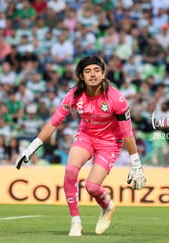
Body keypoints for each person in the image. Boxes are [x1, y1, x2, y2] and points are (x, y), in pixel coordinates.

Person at [15, 55, 146, 236]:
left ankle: (107, 206)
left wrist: (136, 164)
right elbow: (54, 122)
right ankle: (75, 222)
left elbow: (127, 133)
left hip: (109, 143)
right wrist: (31, 149)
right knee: (70, 171)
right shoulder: (74, 95)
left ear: (103, 74)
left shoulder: (117, 99)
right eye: (88, 71)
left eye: (96, 70)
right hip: (86, 136)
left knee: (92, 187)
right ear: (81, 75)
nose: (92, 75)